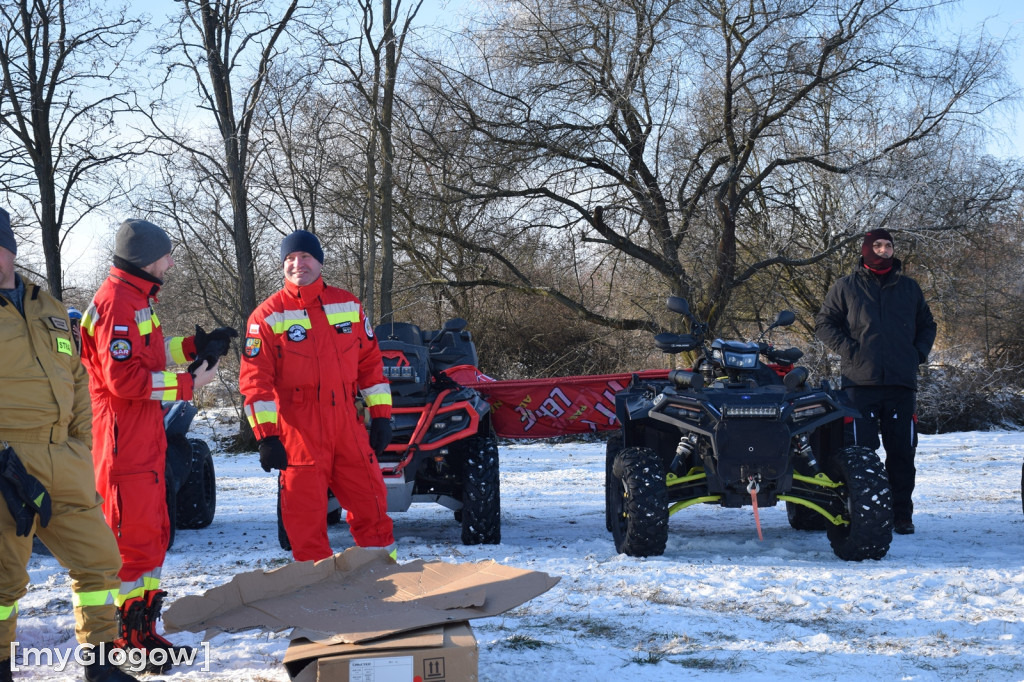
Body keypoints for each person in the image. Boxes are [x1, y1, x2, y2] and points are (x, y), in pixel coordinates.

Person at [80, 219, 232, 672]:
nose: (171, 261)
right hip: (123, 440)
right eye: (167, 254)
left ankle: (143, 632)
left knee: (150, 539)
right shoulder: (117, 302)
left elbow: (150, 355)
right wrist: (189, 383)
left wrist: (195, 345)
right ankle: (127, 639)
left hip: (143, 438)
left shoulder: (137, 298)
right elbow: (122, 380)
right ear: (147, 257)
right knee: (130, 544)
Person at [0, 208, 139, 681]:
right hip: (6, 460)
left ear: (10, 249)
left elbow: (79, 378)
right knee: (4, 580)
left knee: (100, 562)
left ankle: (100, 664)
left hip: (66, 456)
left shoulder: (47, 305)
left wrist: (81, 441)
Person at [239, 230, 396, 562]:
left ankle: (383, 584)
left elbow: (370, 364)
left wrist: (381, 416)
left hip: (347, 427)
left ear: (319, 261)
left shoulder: (348, 305)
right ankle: (317, 600)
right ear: (283, 266)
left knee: (373, 507)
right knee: (305, 524)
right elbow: (255, 382)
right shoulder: (267, 316)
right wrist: (266, 437)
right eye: (290, 259)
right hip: (299, 433)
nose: (298, 264)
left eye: (306, 257)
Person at [815, 228, 937, 535]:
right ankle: (857, 513)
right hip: (859, 384)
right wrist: (849, 349)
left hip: (900, 384)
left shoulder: (909, 288)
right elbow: (825, 324)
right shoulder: (846, 286)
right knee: (859, 455)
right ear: (866, 249)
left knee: (901, 454)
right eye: (878, 245)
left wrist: (916, 354)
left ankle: (901, 516)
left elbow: (927, 325)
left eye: (888, 246)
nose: (883, 250)